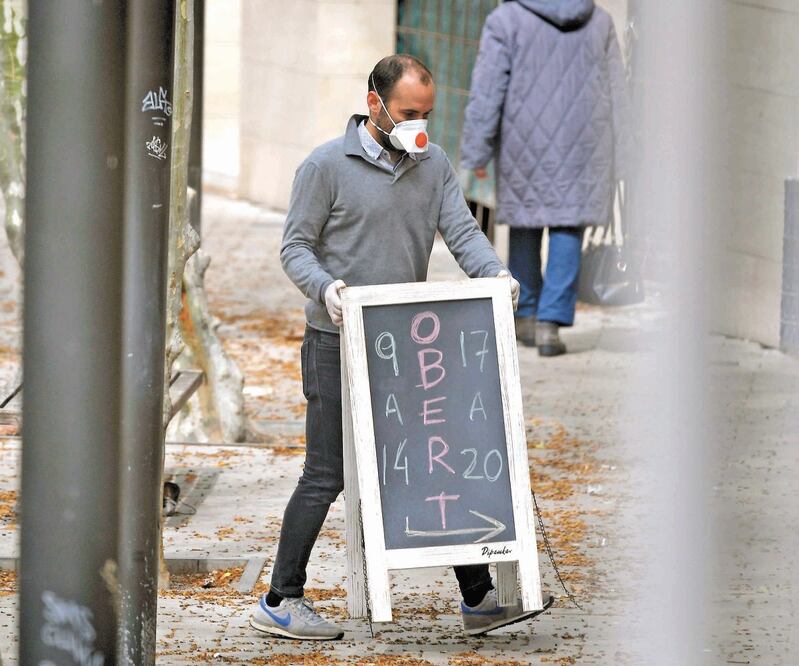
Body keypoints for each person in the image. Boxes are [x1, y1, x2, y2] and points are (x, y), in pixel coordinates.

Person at [248, 54, 553, 641]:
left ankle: (479, 597)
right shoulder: (324, 166)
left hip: (405, 344)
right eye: (409, 113)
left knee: (433, 457)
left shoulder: (431, 163)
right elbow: (295, 247)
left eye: (428, 114)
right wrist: (325, 288)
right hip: (335, 341)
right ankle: (280, 599)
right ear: (375, 105)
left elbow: (462, 231)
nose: (421, 126)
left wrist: (496, 276)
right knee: (327, 473)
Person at [460, 0, 631, 356]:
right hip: (586, 141)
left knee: (524, 223)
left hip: (524, 140)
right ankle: (550, 324)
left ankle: (524, 313)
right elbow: (618, 90)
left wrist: (477, 151)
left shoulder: (505, 20)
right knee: (569, 225)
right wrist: (626, 154)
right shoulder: (598, 20)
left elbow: (487, 90)